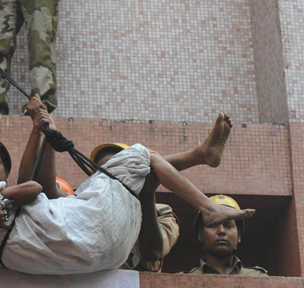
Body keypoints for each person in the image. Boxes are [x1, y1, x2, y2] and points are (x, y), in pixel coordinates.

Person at [0, 98, 253, 275]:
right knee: (142, 155)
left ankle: (201, 157)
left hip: (105, 257)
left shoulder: (21, 209)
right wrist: (43, 131)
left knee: (144, 164)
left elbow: (153, 251)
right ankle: (204, 186)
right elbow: (34, 188)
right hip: (100, 252)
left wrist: (45, 131)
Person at [90, 112, 234, 272]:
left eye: (117, 170)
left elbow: (152, 253)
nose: (111, 178)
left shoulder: (161, 212)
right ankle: (200, 155)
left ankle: (201, 155)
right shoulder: (87, 205)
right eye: (105, 173)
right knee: (147, 157)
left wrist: (146, 196)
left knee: (146, 157)